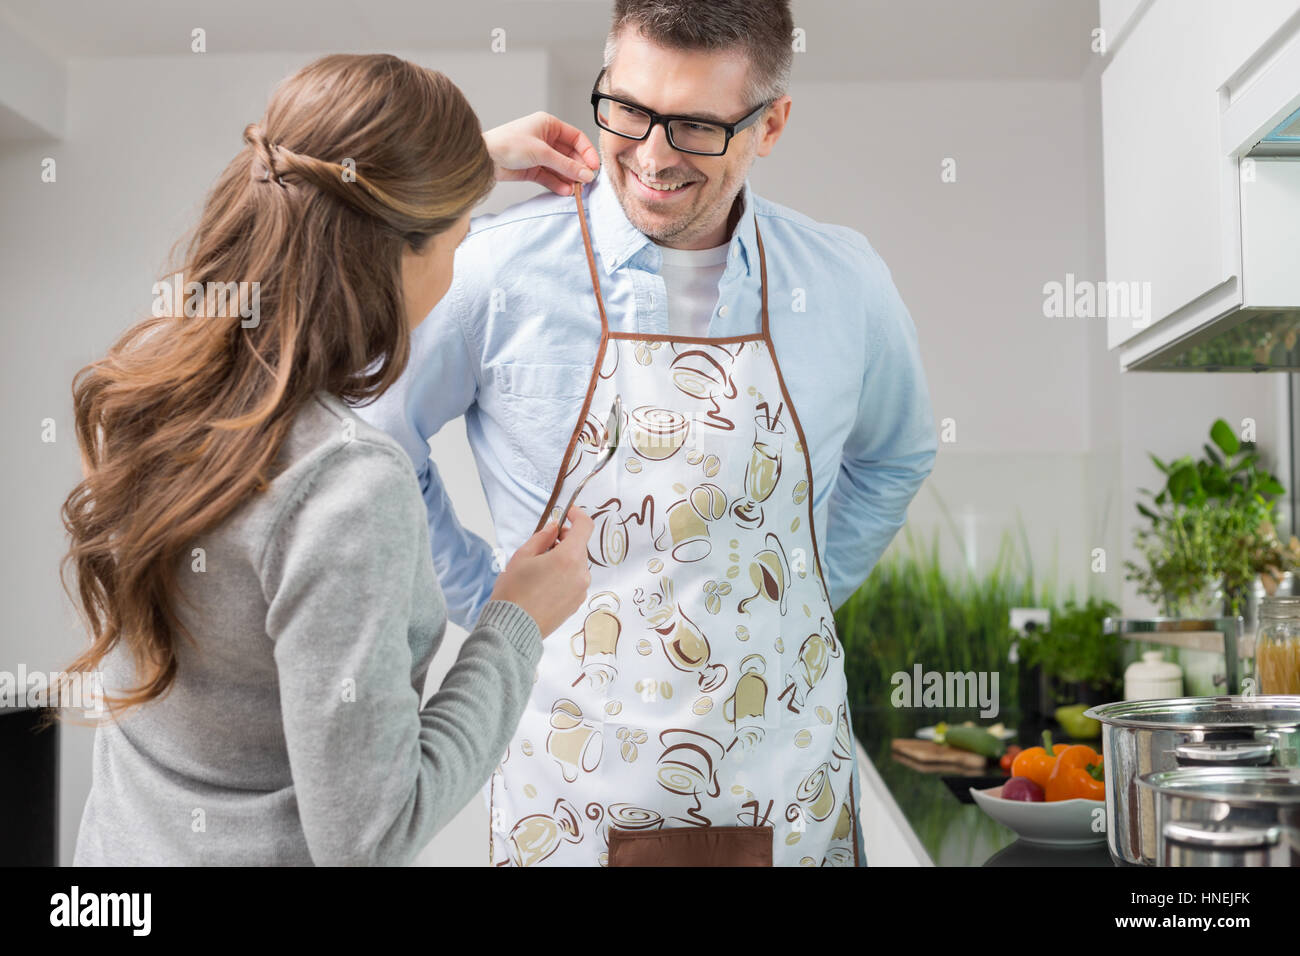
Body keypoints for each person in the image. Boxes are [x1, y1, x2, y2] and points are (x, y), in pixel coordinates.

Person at [357, 0, 938, 867]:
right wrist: (486, 603)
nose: (654, 155)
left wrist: (799, 599)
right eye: (629, 109)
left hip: (781, 787)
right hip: (569, 792)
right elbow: (376, 446)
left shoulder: (845, 282)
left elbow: (897, 455)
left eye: (699, 125)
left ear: (770, 123)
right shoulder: (493, 271)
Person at [61, 53, 601, 866]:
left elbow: (299, 185)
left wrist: (448, 171)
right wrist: (514, 624)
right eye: (456, 236)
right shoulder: (349, 490)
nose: (458, 264)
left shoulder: (150, 382)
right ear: (401, 250)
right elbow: (367, 839)